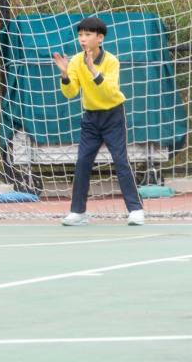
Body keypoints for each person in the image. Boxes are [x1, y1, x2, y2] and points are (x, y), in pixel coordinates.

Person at [52, 16, 145, 226]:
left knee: (120, 161)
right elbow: (70, 92)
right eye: (80, 35)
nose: (82, 39)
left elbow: (110, 90)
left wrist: (93, 69)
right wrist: (65, 75)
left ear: (100, 38)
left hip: (113, 116)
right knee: (82, 162)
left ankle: (136, 209)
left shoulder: (111, 61)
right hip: (90, 118)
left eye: (87, 34)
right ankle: (77, 212)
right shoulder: (76, 61)